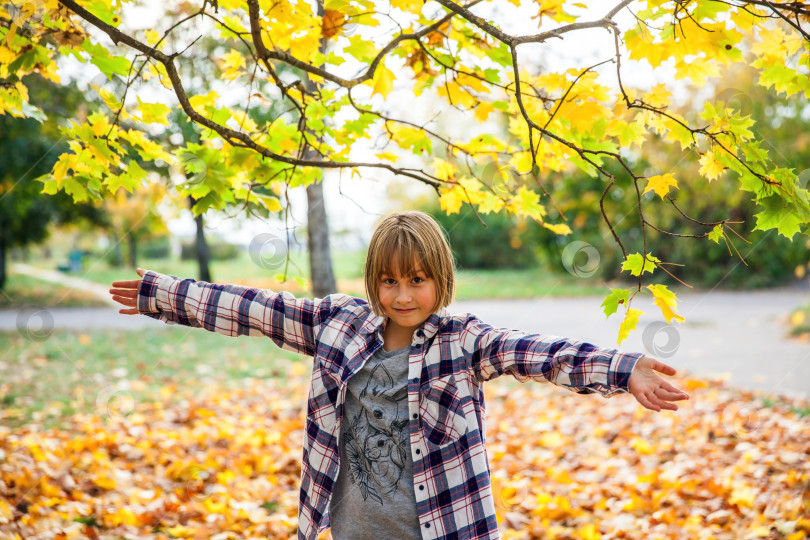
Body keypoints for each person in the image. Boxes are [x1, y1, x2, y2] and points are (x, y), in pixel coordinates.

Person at [109, 210, 689, 540]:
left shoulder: (462, 342)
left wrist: (624, 368)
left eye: (416, 279)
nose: (403, 294)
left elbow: (535, 351)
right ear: (373, 283)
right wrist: (165, 294)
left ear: (439, 278)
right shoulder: (338, 323)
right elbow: (256, 309)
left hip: (439, 529)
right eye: (389, 281)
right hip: (354, 529)